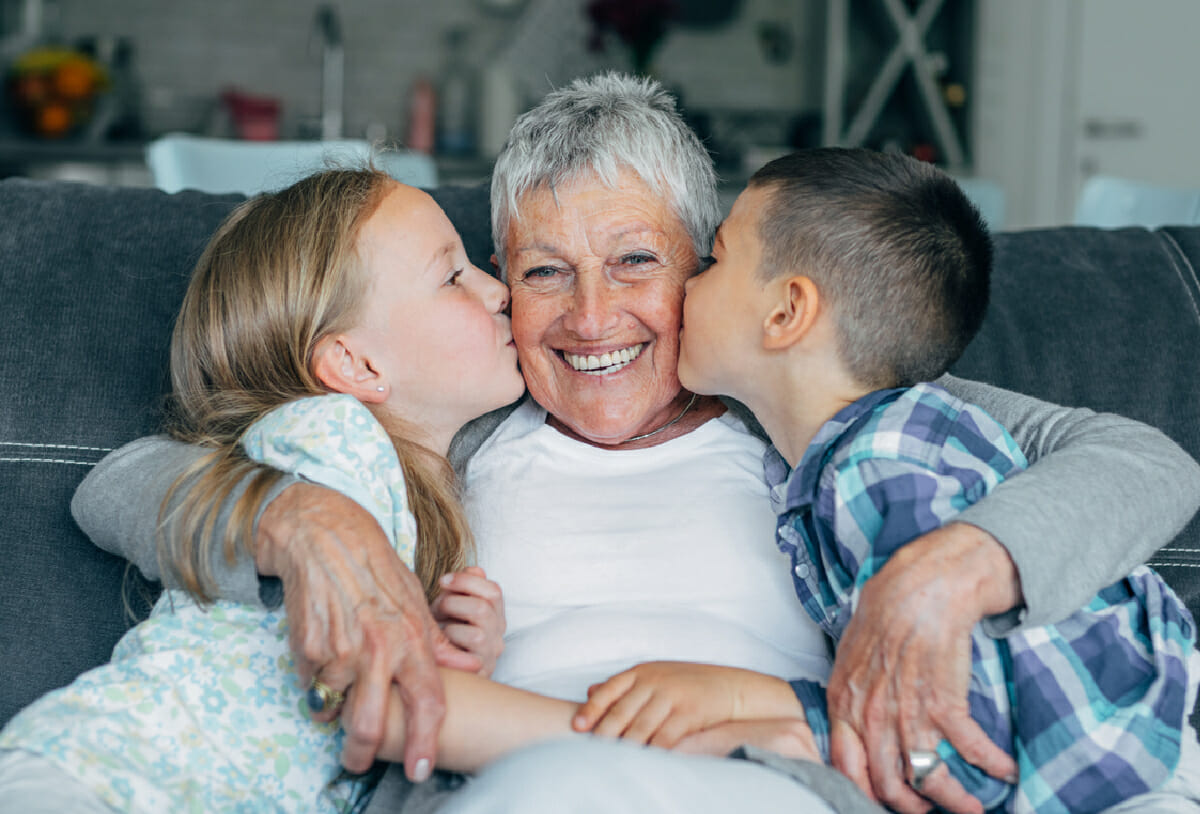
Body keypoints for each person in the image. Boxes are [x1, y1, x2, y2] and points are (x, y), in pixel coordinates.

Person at [70, 73, 1200, 814]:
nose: (591, 317)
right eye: (542, 272)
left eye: (639, 263)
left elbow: (1145, 461)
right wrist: (305, 521)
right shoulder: (456, 426)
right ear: (499, 290)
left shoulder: (809, 410)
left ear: (725, 276)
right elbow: (121, 479)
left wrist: (951, 568)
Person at [571, 147, 1200, 812]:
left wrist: (753, 707)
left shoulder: (880, 465)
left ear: (786, 313)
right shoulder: (877, 444)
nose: (688, 284)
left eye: (717, 259)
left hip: (1112, 777)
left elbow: (955, 737)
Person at [0, 169, 527, 811]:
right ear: (357, 366)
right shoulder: (331, 436)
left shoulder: (419, 498)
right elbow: (118, 486)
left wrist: (443, 653)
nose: (499, 291)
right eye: (453, 277)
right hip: (108, 774)